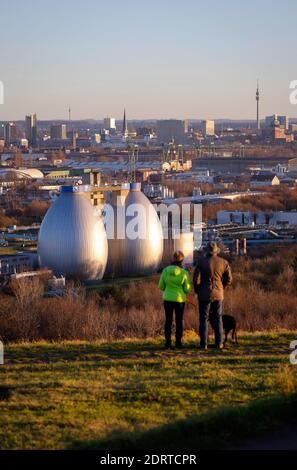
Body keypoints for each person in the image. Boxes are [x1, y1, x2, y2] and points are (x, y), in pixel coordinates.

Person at [193, 242, 232, 350]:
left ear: (206, 251)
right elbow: (229, 279)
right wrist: (222, 287)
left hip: (204, 294)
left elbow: (196, 279)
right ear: (216, 251)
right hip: (218, 294)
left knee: (204, 319)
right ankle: (219, 343)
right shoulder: (224, 262)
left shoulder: (201, 262)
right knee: (218, 318)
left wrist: (198, 291)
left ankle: (203, 344)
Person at [158, 251, 191, 349]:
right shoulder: (184, 273)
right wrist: (181, 291)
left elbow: (161, 286)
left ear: (173, 258)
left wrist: (168, 290)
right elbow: (187, 289)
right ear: (182, 259)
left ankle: (167, 344)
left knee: (168, 321)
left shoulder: (165, 271)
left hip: (168, 299)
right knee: (179, 321)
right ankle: (178, 343)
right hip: (180, 300)